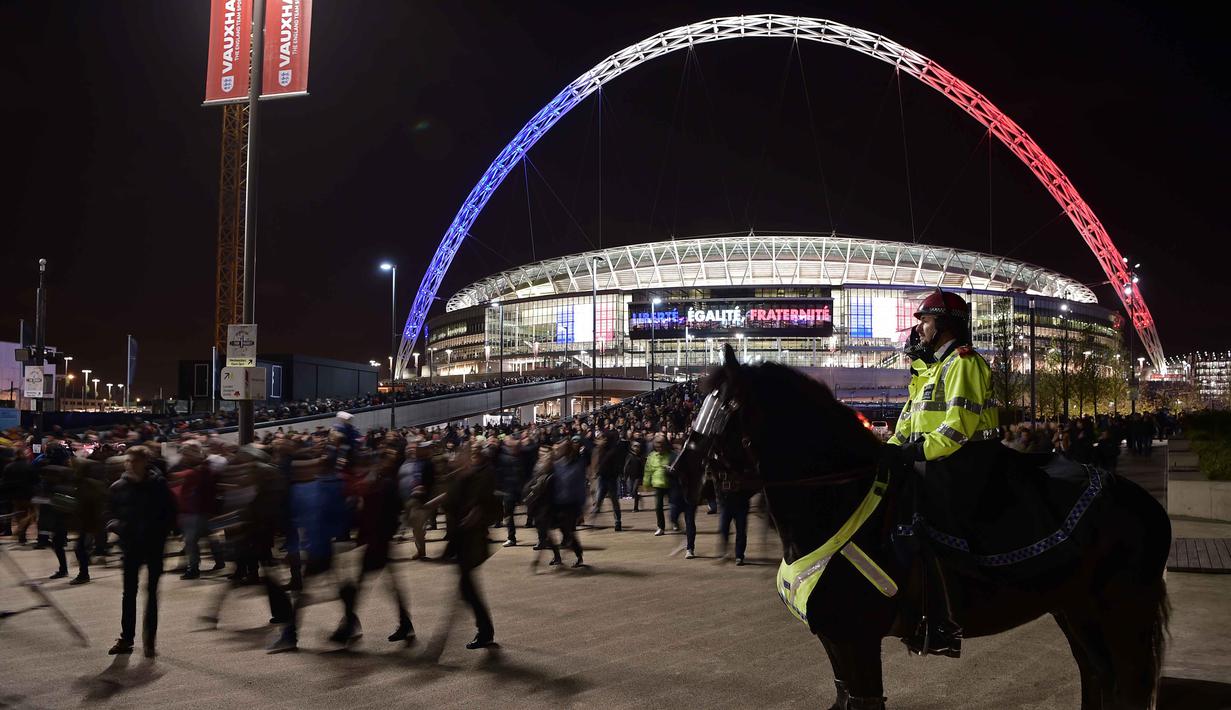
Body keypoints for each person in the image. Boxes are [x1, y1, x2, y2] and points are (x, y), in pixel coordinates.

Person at [884, 288, 1000, 659]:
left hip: (966, 461)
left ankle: (945, 620)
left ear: (945, 325)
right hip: (935, 459)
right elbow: (907, 425)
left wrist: (914, 452)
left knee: (925, 523)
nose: (919, 329)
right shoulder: (930, 371)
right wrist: (885, 456)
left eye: (926, 321)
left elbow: (957, 428)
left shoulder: (964, 363)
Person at [106, 445, 176, 658]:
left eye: (135, 461)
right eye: (129, 461)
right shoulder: (118, 487)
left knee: (151, 594)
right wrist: (118, 527)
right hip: (131, 547)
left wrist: (162, 534)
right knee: (129, 594)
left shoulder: (159, 485)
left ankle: (149, 640)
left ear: (145, 463)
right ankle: (127, 638)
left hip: (154, 546)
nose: (131, 464)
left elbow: (170, 513)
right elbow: (109, 514)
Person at [550, 437, 587, 567]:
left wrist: (582, 508)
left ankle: (579, 555)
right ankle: (560, 555)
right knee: (557, 529)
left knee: (569, 531)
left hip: (571, 504)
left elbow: (580, 487)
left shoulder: (577, 464)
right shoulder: (556, 464)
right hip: (558, 502)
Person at [590, 430, 625, 531]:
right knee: (599, 500)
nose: (599, 440)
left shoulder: (612, 450)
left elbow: (605, 463)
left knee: (614, 500)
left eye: (602, 438)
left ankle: (618, 522)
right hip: (602, 478)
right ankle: (593, 521)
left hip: (611, 478)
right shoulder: (600, 450)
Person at [643, 434, 672, 536]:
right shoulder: (652, 456)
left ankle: (675, 522)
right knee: (658, 507)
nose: (659, 447)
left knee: (673, 506)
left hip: (670, 484)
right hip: (658, 484)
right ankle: (661, 527)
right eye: (657, 445)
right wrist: (646, 483)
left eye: (661, 445)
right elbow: (648, 470)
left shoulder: (670, 455)